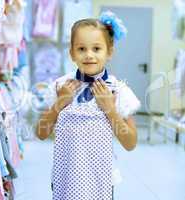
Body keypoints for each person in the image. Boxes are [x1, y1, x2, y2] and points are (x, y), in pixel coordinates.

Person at [36, 11, 141, 200]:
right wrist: (60, 103)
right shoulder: (61, 86)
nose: (89, 55)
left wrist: (110, 109)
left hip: (101, 180)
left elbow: (130, 143)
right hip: (65, 178)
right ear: (71, 53)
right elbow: (41, 133)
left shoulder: (118, 90)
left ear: (109, 52)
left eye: (96, 48)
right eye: (81, 48)